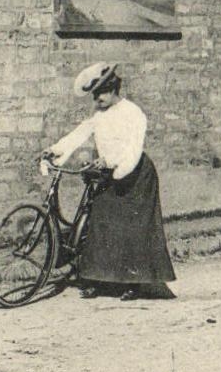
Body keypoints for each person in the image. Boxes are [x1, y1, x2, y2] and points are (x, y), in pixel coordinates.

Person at [42, 63, 176, 300]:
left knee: (131, 228)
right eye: (94, 95)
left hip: (135, 175)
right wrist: (55, 150)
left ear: (114, 89)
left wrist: (112, 163)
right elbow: (80, 134)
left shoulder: (133, 113)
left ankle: (134, 284)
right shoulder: (99, 115)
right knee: (100, 222)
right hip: (110, 173)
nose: (97, 99)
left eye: (101, 93)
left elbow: (132, 148)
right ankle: (99, 280)